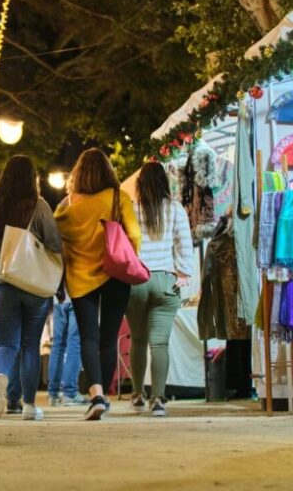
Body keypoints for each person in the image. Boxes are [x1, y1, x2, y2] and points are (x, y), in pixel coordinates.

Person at [0, 155, 62, 421]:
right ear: (32, 178)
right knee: (30, 345)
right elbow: (54, 243)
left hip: (1, 284)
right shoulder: (39, 206)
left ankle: (0, 378)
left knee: (6, 344)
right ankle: (30, 406)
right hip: (33, 285)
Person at [54, 148, 141, 420]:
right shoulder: (118, 197)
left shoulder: (65, 206)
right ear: (107, 171)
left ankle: (96, 395)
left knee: (88, 337)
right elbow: (135, 234)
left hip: (80, 279)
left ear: (77, 174)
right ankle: (104, 393)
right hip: (114, 272)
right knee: (108, 337)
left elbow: (57, 243)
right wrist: (129, 258)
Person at [125, 162, 193, 417]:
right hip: (165, 280)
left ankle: (137, 394)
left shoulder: (131, 209)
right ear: (164, 182)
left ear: (140, 183)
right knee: (160, 343)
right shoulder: (175, 209)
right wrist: (182, 274)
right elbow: (184, 246)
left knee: (138, 341)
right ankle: (158, 399)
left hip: (136, 281)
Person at [47, 291, 88, 406]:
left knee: (58, 344)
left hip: (58, 298)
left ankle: (53, 394)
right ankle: (70, 393)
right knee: (75, 343)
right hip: (78, 295)